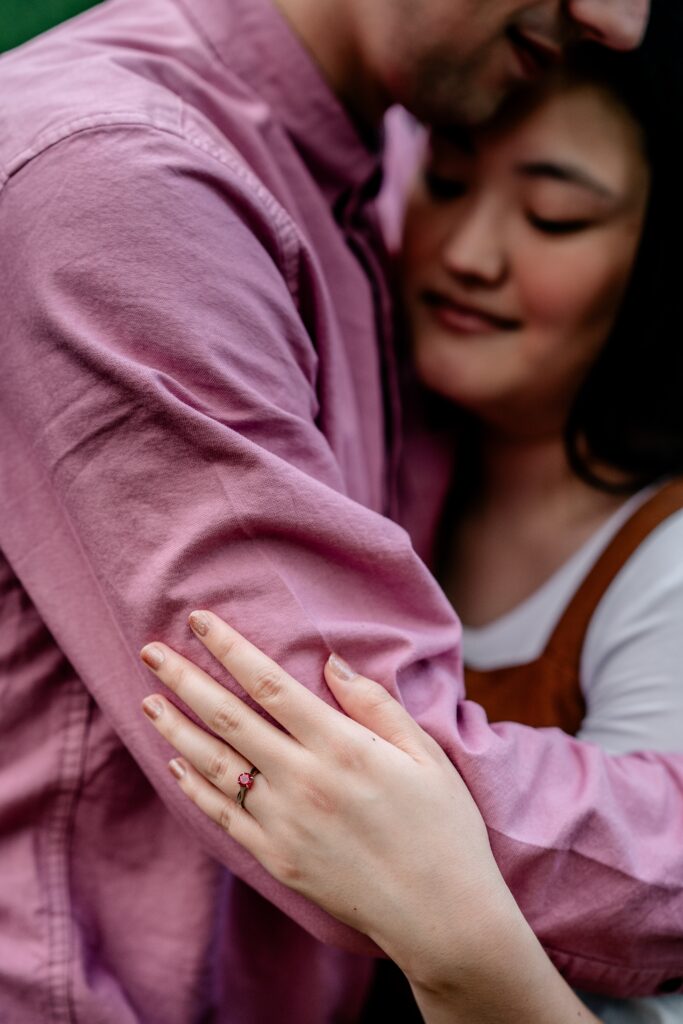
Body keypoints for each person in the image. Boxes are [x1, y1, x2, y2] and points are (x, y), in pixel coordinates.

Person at [0, 0, 675, 1021]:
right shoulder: (120, 177)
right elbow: (362, 785)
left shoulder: (369, 160)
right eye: (451, 188)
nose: (618, 22)